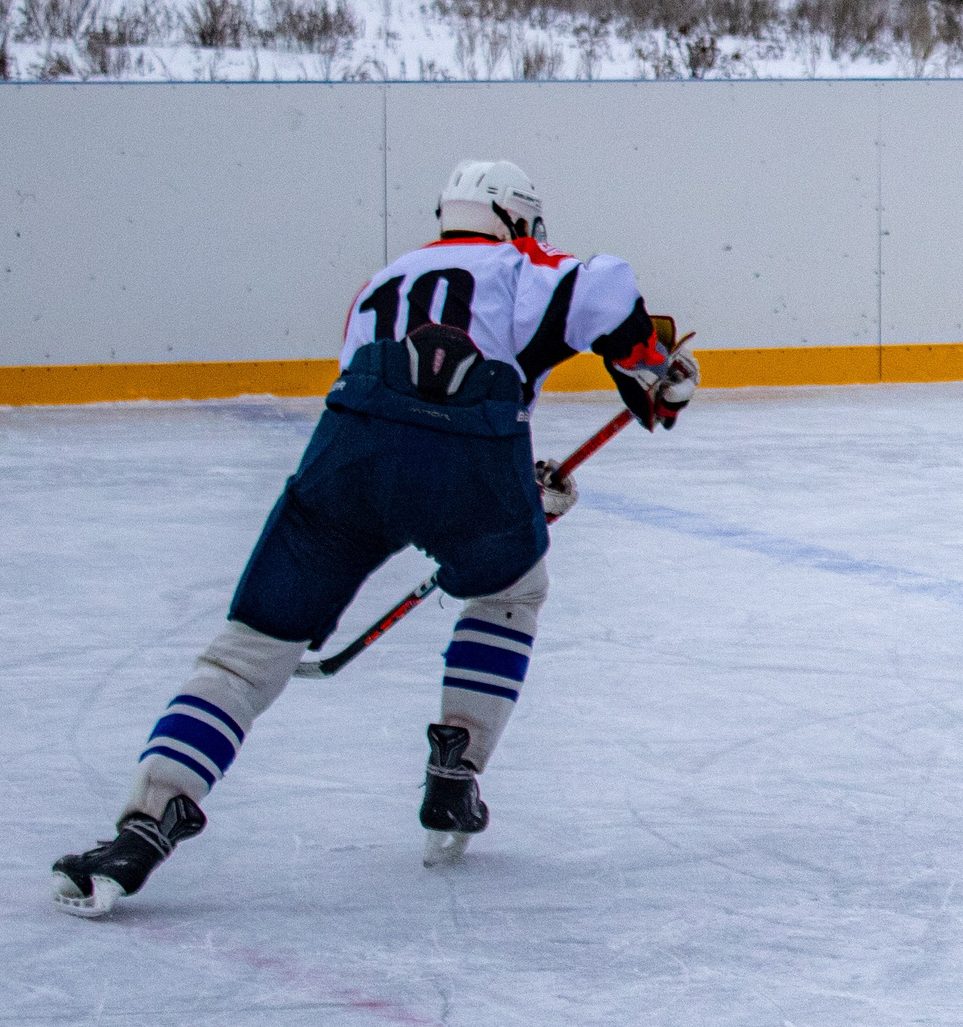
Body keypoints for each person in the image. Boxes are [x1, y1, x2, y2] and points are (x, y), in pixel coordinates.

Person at [50, 159, 698, 915]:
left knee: (246, 654)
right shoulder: (524, 265)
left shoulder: (380, 283)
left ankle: (143, 825)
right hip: (469, 472)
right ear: (515, 218)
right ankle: (456, 767)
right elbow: (604, 293)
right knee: (511, 591)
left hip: (347, 466)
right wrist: (653, 367)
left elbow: (404, 409)